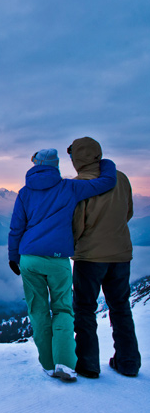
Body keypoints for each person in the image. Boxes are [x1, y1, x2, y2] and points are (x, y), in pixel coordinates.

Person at [8, 148, 117, 382]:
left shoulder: (24, 193)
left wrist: (13, 257)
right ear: (56, 165)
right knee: (63, 309)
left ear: (36, 165)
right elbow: (106, 182)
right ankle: (65, 363)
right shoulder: (70, 188)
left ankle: (47, 364)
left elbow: (16, 228)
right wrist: (104, 161)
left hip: (29, 259)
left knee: (37, 310)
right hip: (57, 260)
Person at [68, 137, 141, 378]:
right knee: (120, 307)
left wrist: (75, 244)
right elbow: (128, 211)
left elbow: (77, 224)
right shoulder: (121, 179)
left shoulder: (80, 184)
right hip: (121, 254)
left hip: (90, 257)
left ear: (78, 158)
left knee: (85, 308)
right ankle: (128, 362)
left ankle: (88, 364)